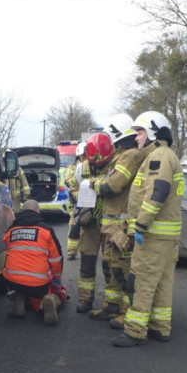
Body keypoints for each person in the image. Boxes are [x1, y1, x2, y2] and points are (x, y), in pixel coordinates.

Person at [111, 112, 183, 347]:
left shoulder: (158, 157)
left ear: (153, 132)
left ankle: (134, 331)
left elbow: (157, 192)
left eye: (140, 132)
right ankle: (160, 328)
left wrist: (140, 225)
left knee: (140, 281)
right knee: (162, 283)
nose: (137, 137)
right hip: (166, 237)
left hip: (152, 236)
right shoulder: (167, 155)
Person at [89, 113, 144, 324]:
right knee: (110, 268)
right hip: (111, 225)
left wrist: (94, 184)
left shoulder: (129, 156)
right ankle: (111, 307)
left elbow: (113, 185)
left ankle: (126, 311)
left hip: (121, 226)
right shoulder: (120, 156)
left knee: (122, 271)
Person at [3, 200, 66, 325]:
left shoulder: (10, 230)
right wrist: (56, 280)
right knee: (50, 291)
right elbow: (56, 260)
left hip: (12, 281)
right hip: (38, 285)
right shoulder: (46, 230)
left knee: (20, 281)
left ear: (22, 211)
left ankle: (18, 305)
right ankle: (49, 301)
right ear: (38, 212)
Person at [75, 132, 114, 313]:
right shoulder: (81, 168)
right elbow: (74, 190)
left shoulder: (116, 166)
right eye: (94, 163)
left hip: (109, 223)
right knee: (87, 262)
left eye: (101, 163)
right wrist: (82, 208)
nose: (97, 166)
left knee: (111, 265)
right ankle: (85, 299)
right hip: (89, 223)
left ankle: (111, 302)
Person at [64, 142, 87, 260]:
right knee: (74, 227)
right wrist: (76, 181)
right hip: (77, 202)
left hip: (89, 201)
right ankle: (71, 252)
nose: (85, 158)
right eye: (83, 155)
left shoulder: (92, 165)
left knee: (89, 228)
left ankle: (86, 250)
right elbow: (67, 180)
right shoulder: (73, 167)